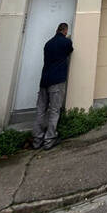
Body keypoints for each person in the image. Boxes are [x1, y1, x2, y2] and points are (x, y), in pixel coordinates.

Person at [32, 22, 74, 150]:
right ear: (65, 31)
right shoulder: (66, 42)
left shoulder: (48, 44)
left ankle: (37, 139)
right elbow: (70, 51)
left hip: (44, 80)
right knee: (54, 110)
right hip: (57, 81)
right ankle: (49, 140)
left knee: (41, 110)